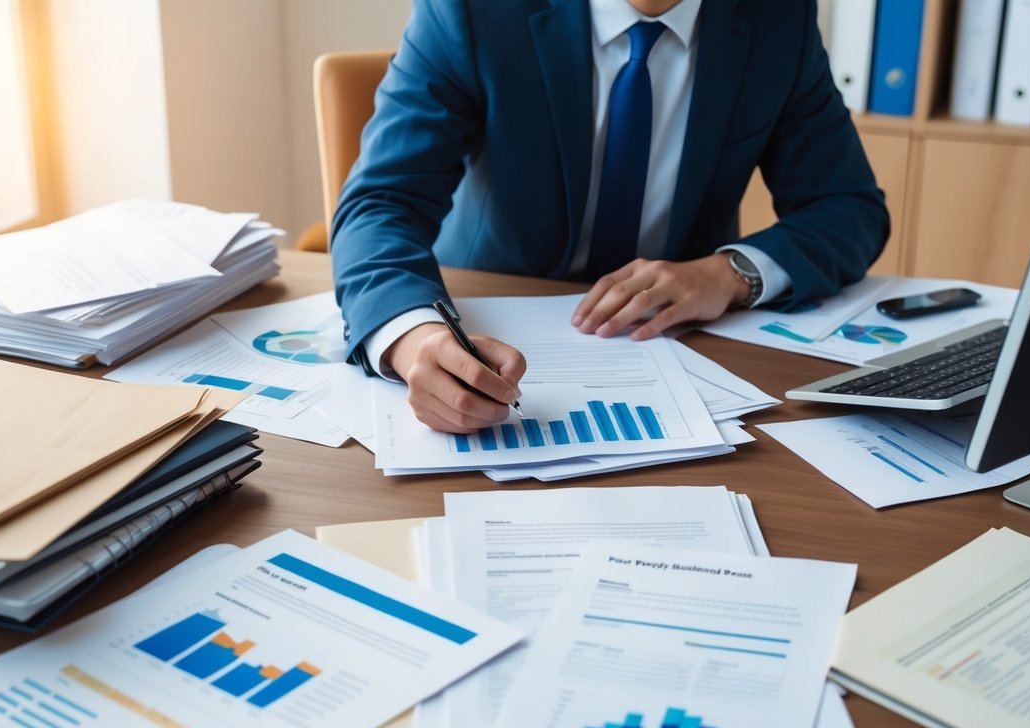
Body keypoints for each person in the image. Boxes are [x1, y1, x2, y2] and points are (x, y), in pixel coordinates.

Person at [332, 0, 889, 433]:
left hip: (682, 354)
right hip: (491, 336)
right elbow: (382, 203)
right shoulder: (473, 11)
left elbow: (847, 207)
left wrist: (728, 274)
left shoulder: (775, 19)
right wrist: (414, 339)